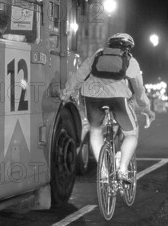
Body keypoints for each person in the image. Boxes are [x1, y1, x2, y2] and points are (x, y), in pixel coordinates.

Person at [60, 33, 155, 184]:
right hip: (118, 98)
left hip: (91, 96)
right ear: (128, 47)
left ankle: (104, 170)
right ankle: (123, 169)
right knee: (131, 134)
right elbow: (139, 90)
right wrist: (146, 109)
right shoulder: (130, 60)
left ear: (108, 44)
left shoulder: (97, 55)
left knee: (96, 130)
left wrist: (66, 94)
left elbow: (78, 76)